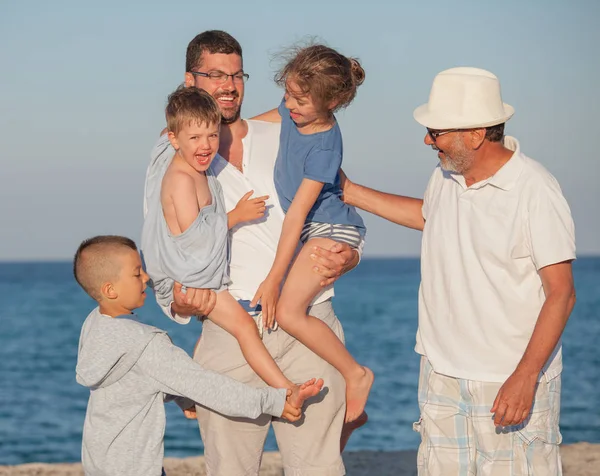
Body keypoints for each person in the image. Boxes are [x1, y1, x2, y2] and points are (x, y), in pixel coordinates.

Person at [143, 30, 363, 475]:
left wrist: (351, 256)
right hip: (231, 334)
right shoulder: (176, 156)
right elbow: (162, 241)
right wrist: (177, 302)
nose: (228, 85)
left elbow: (338, 203)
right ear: (190, 80)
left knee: (320, 467)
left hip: (309, 321)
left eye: (236, 74)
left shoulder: (287, 129)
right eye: (214, 75)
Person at [341, 67, 576, 474]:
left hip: (507, 378)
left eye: (437, 131)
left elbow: (562, 293)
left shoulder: (535, 189)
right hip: (441, 374)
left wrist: (525, 376)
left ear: (476, 133)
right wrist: (350, 191)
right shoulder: (446, 176)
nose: (428, 140)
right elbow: (429, 216)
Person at [141, 86, 323, 407]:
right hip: (189, 278)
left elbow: (231, 125)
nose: (206, 145)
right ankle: (286, 391)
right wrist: (235, 216)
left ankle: (188, 395)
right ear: (174, 140)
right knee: (244, 329)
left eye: (212, 136)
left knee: (240, 330)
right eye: (195, 138)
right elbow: (194, 238)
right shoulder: (182, 180)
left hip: (199, 273)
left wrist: (289, 106)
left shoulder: (198, 165)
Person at [73, 235, 309, 476]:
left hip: (99, 465)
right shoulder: (146, 344)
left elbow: (135, 381)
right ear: (110, 290)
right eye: (136, 273)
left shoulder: (94, 326)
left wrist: (182, 397)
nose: (146, 278)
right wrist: (275, 402)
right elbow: (210, 387)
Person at [251, 44, 373, 423]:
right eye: (287, 94)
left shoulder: (325, 147)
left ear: (331, 101)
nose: (290, 105)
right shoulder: (294, 111)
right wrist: (217, 130)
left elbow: (297, 215)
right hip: (313, 228)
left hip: (330, 228)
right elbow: (261, 121)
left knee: (287, 311)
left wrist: (273, 279)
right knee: (289, 310)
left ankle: (356, 373)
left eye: (300, 100)